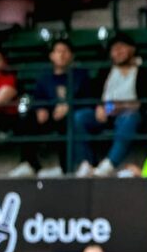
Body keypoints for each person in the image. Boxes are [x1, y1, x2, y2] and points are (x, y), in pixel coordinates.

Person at [73, 33, 147, 177]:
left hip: (130, 114)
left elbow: (144, 101)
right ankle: (87, 163)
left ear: (132, 49)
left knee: (130, 119)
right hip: (106, 113)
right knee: (79, 117)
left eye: (121, 48)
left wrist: (121, 107)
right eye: (114, 49)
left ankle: (109, 164)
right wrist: (99, 106)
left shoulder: (144, 71)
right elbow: (94, 92)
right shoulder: (105, 71)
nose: (117, 52)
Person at [12, 39, 90, 177]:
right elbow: (37, 96)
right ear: (52, 56)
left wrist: (69, 107)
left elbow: (87, 98)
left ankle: (66, 168)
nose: (61, 55)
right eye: (58, 51)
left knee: (69, 123)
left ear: (72, 55)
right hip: (49, 115)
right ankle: (29, 164)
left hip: (69, 116)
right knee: (27, 119)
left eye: (65, 51)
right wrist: (40, 108)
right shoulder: (45, 78)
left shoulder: (80, 75)